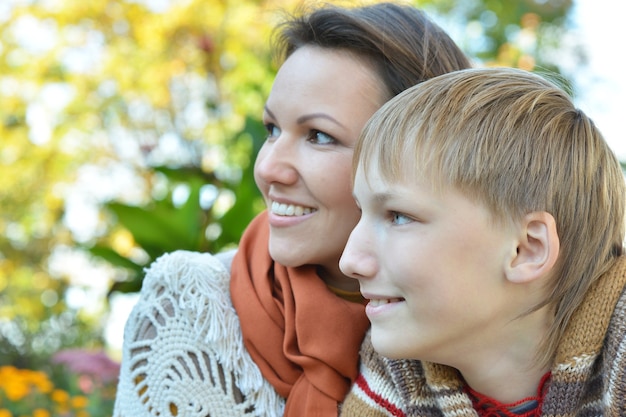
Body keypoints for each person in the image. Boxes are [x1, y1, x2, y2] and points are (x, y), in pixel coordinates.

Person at [112, 3, 470, 417]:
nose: (267, 168)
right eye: (272, 129)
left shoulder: (480, 317)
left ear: (424, 161)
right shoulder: (190, 309)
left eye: (319, 135)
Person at [338, 66, 626, 416]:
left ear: (526, 249)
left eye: (399, 216)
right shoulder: (400, 369)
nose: (349, 260)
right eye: (360, 213)